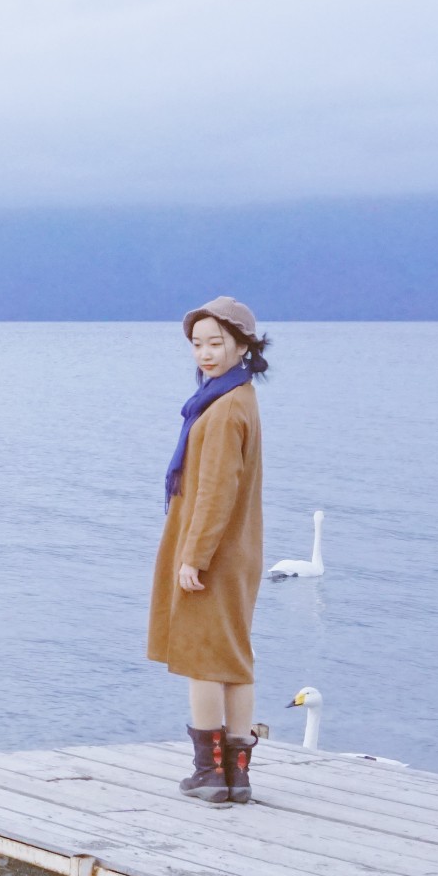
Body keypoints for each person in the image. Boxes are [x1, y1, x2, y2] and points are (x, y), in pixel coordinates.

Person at [148, 297, 270, 804]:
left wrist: (193, 558)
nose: (205, 353)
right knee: (235, 660)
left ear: (241, 344)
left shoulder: (221, 411)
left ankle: (209, 773)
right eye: (197, 343)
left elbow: (217, 491)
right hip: (240, 549)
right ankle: (236, 776)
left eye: (216, 342)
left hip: (214, 554)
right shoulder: (238, 398)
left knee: (204, 659)